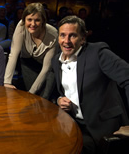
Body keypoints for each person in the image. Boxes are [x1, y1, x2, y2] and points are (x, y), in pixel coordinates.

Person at [51, 15, 129, 153]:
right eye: (62, 35)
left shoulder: (98, 53)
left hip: (102, 126)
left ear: (83, 39)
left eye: (72, 36)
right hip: (73, 124)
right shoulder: (56, 59)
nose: (66, 41)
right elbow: (55, 92)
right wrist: (59, 100)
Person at [4, 3, 58, 99]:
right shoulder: (21, 26)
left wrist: (31, 93)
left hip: (48, 68)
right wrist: (7, 82)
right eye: (29, 20)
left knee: (45, 97)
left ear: (43, 21)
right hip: (28, 62)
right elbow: (13, 55)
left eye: (37, 20)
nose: (33, 24)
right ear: (24, 20)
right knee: (33, 96)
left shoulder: (53, 34)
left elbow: (46, 69)